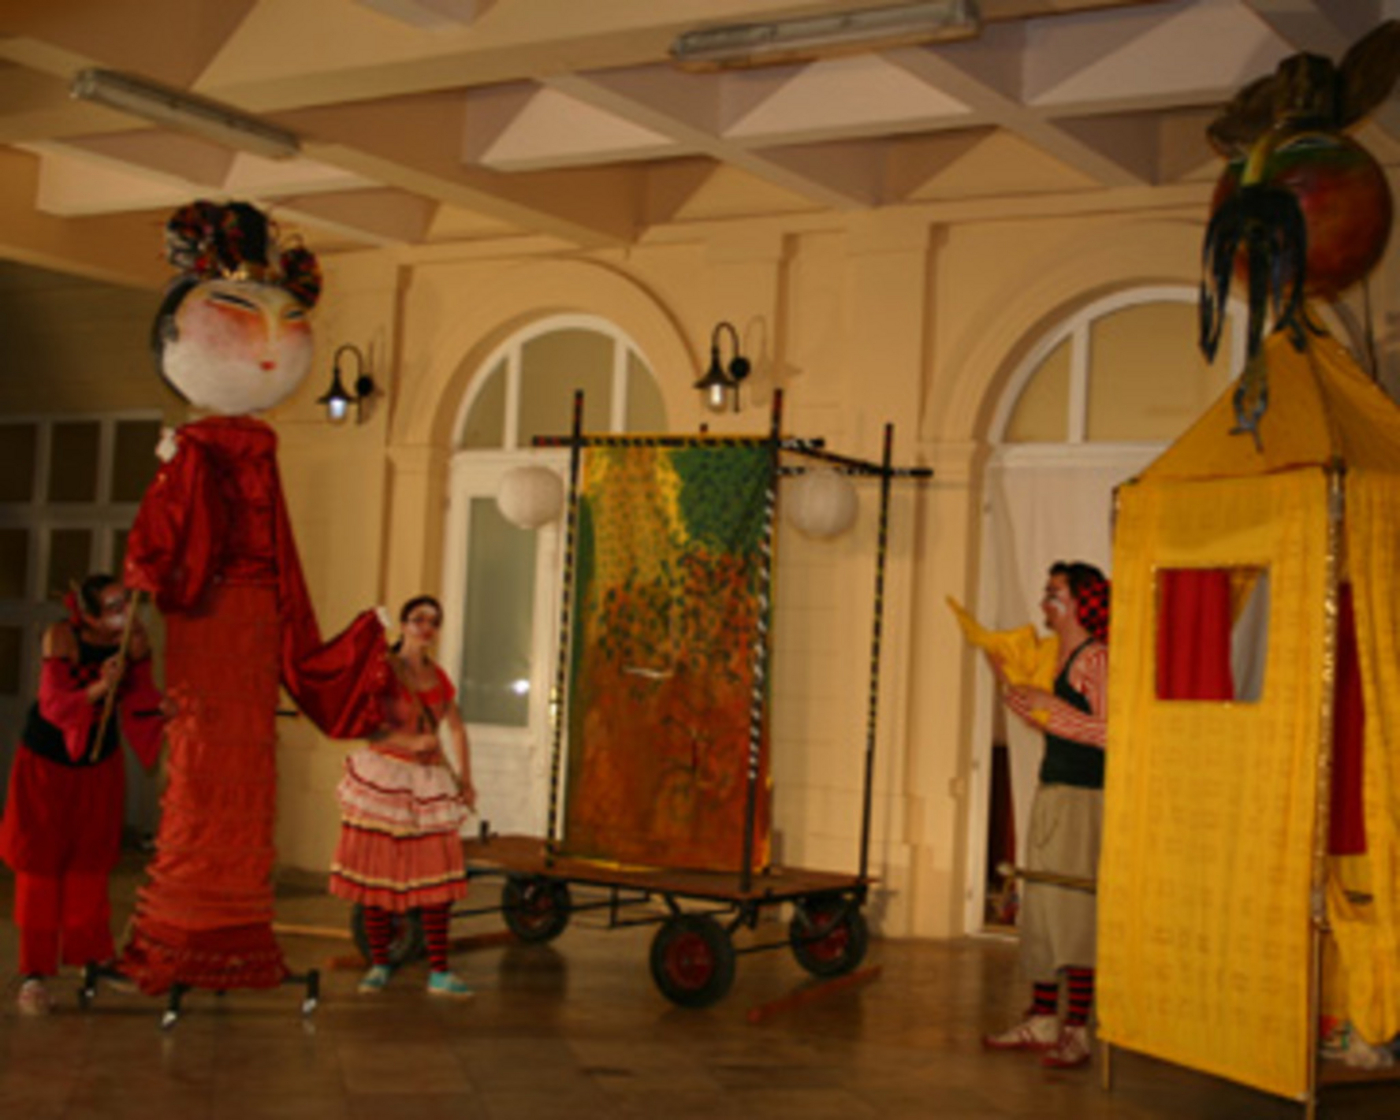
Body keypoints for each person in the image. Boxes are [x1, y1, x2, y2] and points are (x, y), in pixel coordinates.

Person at [0, 575, 165, 1014]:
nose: (125, 613)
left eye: (126, 603)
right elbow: (54, 703)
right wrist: (99, 687)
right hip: (46, 763)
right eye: (113, 607)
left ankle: (93, 957)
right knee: (40, 864)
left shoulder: (134, 641)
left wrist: (161, 709)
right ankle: (34, 973)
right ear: (88, 616)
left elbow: (140, 698)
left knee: (91, 861)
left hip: (99, 763)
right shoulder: (61, 637)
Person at [983, 561, 1110, 1070]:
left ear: (1080, 601)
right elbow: (1046, 721)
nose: (1044, 602)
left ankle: (1076, 1029)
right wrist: (1010, 684)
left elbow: (1111, 732)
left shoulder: (1095, 659)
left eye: (1055, 593)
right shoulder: (1055, 657)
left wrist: (1044, 704)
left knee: (1074, 912)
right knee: (1041, 909)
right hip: (1054, 792)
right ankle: (1042, 1019)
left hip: (1084, 799)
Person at [330, 595, 478, 998]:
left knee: (437, 881)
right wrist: (410, 742)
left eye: (433, 621)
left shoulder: (438, 676)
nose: (425, 628)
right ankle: (379, 962)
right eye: (418, 619)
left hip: (429, 782)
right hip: (386, 779)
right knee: (379, 877)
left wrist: (466, 778)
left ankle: (440, 971)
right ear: (403, 624)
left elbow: (456, 728)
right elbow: (366, 725)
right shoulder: (386, 669)